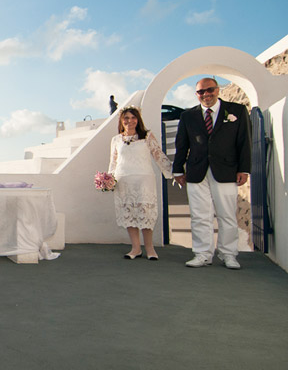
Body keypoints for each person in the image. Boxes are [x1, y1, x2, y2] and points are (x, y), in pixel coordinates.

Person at [172, 77, 251, 269]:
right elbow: (181, 144)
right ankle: (202, 254)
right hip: (196, 171)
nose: (206, 94)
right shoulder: (188, 116)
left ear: (217, 90)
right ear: (196, 94)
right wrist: (177, 170)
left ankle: (228, 254)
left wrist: (244, 169)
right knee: (200, 215)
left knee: (227, 215)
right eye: (201, 92)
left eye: (210, 90)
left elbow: (244, 142)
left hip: (226, 170)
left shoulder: (236, 111)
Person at [108, 106, 173, 260]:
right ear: (121, 120)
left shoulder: (147, 136)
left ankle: (150, 249)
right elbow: (113, 161)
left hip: (144, 180)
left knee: (145, 213)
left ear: (138, 120)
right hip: (124, 180)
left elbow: (158, 155)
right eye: (126, 118)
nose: (129, 121)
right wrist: (109, 179)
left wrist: (173, 173)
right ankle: (136, 248)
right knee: (129, 212)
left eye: (133, 118)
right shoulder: (116, 140)